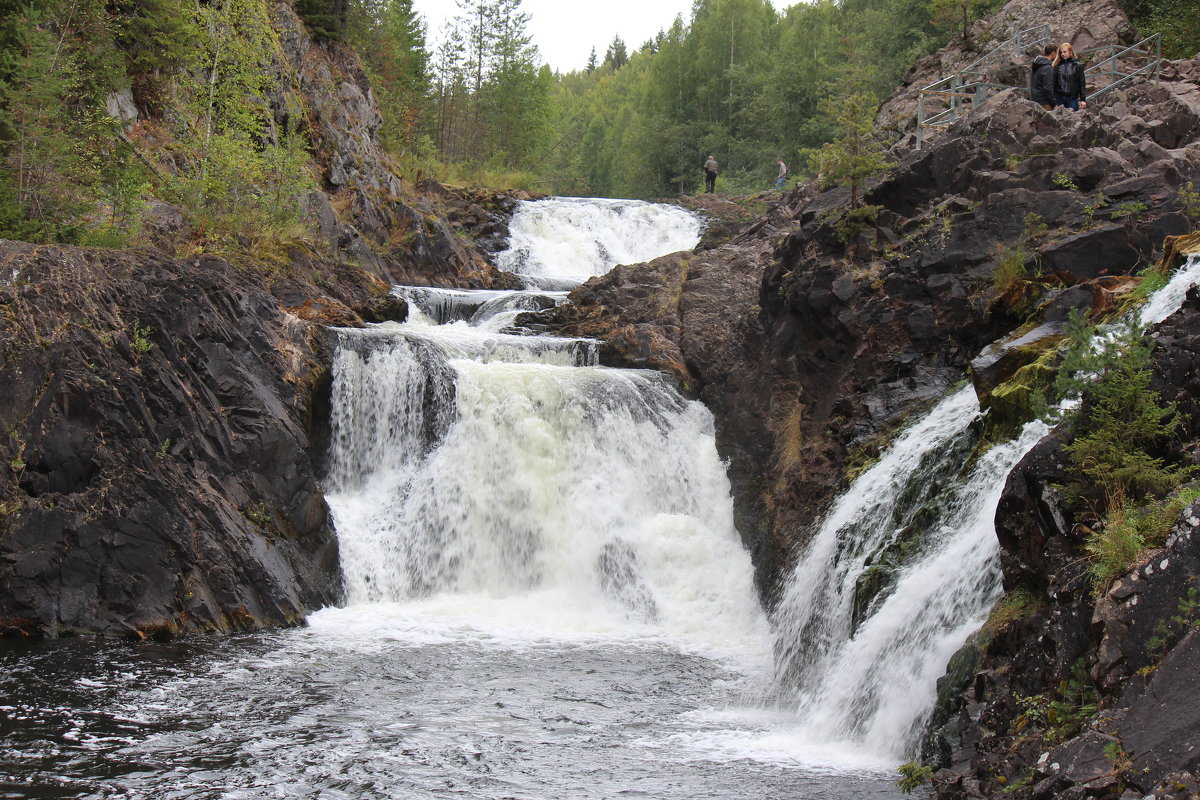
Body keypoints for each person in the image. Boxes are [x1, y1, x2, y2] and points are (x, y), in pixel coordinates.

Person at [1053, 42, 1087, 111]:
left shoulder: (1077, 66)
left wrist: (1083, 99)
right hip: (1059, 97)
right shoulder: (1057, 66)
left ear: (1070, 52)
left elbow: (1082, 83)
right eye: (1061, 52)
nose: (1062, 54)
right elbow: (1053, 83)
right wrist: (1053, 101)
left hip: (1072, 98)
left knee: (1072, 119)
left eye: (1064, 52)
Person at [1029, 44, 1057, 110]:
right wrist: (1054, 103)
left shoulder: (1036, 65)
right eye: (1056, 54)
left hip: (1034, 100)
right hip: (1044, 103)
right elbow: (1047, 88)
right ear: (1053, 53)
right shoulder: (1048, 68)